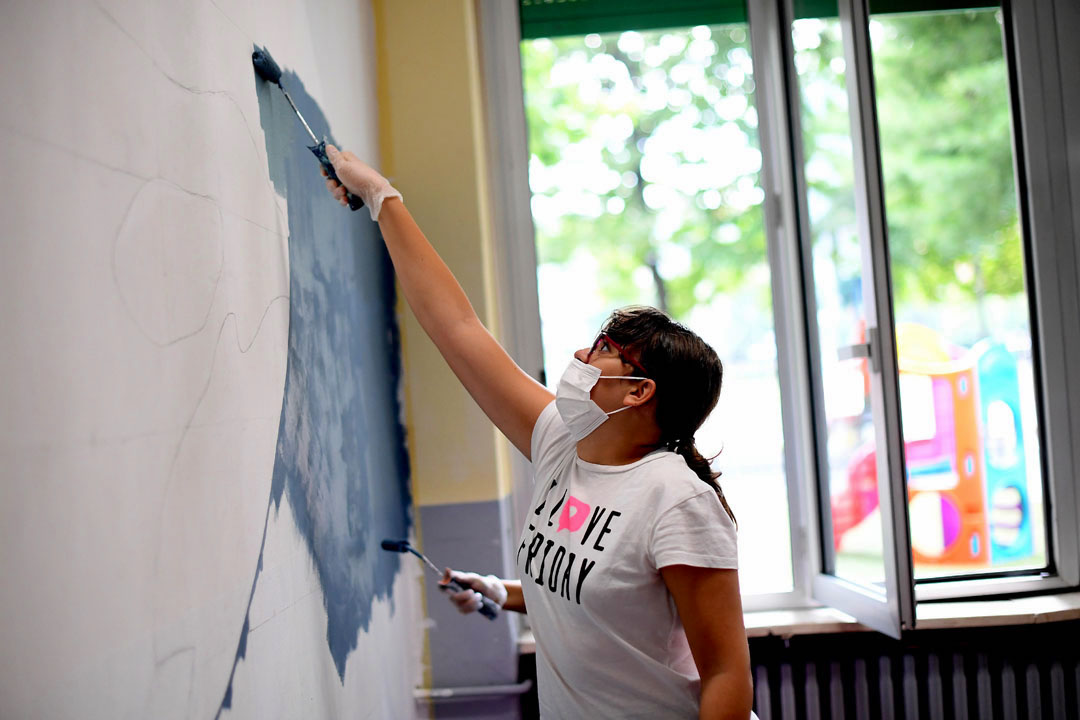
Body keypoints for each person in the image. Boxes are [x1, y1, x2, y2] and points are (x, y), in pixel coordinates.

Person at [323, 145, 754, 720]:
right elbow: (456, 326)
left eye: (603, 351)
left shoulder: (676, 502)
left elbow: (727, 674)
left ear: (638, 392)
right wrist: (383, 198)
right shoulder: (562, 444)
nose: (580, 354)